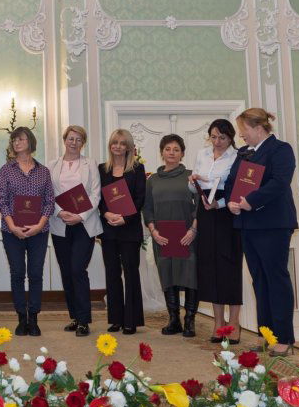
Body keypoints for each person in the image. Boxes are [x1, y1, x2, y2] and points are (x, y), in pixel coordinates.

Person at [225, 108, 298, 357]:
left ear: (258, 128)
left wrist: (250, 201)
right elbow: (232, 183)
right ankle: (267, 335)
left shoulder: (280, 150)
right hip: (248, 224)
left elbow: (279, 183)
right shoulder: (244, 153)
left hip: (273, 224)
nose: (241, 135)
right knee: (259, 280)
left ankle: (284, 338)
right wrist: (231, 202)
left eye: (243, 130)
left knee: (275, 279)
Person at [0, 127, 54, 337]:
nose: (17, 143)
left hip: (39, 230)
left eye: (21, 139)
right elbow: (1, 199)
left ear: (30, 142)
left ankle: (34, 318)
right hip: (12, 231)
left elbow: (49, 201)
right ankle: (21, 318)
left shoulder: (44, 171)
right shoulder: (6, 170)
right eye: (14, 140)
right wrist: (11, 225)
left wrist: (39, 225)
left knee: (36, 274)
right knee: (18, 273)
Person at [189, 119, 242, 344]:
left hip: (226, 211)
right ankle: (218, 322)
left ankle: (234, 322)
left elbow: (238, 188)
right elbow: (192, 188)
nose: (217, 142)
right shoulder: (202, 154)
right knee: (209, 266)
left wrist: (218, 204)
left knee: (229, 266)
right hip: (205, 210)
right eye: (213, 137)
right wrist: (193, 181)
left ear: (230, 137)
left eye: (222, 137)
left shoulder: (238, 157)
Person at [48, 126, 103, 337]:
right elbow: (49, 193)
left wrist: (80, 216)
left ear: (83, 143)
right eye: (71, 138)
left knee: (77, 269)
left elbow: (95, 194)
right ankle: (74, 316)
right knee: (66, 271)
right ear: (64, 140)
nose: (74, 142)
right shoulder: (52, 165)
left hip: (84, 224)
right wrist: (61, 212)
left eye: (78, 139)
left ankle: (83, 320)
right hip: (60, 223)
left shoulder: (90, 164)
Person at [143, 134, 199, 338]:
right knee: (167, 275)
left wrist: (193, 230)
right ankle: (173, 319)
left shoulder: (191, 176)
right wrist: (153, 231)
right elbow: (147, 209)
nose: (172, 153)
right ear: (161, 153)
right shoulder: (152, 180)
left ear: (182, 153)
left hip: (187, 236)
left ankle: (190, 321)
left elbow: (200, 206)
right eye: (168, 149)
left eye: (176, 149)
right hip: (162, 237)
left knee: (191, 275)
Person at [98, 129, 146, 335]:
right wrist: (107, 214)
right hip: (108, 229)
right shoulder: (102, 169)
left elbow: (140, 199)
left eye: (122, 143)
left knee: (131, 274)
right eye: (114, 142)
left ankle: (131, 320)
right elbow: (97, 198)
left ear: (128, 147)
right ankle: (116, 319)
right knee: (112, 274)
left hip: (129, 230)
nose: (117, 146)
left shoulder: (137, 169)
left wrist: (124, 218)